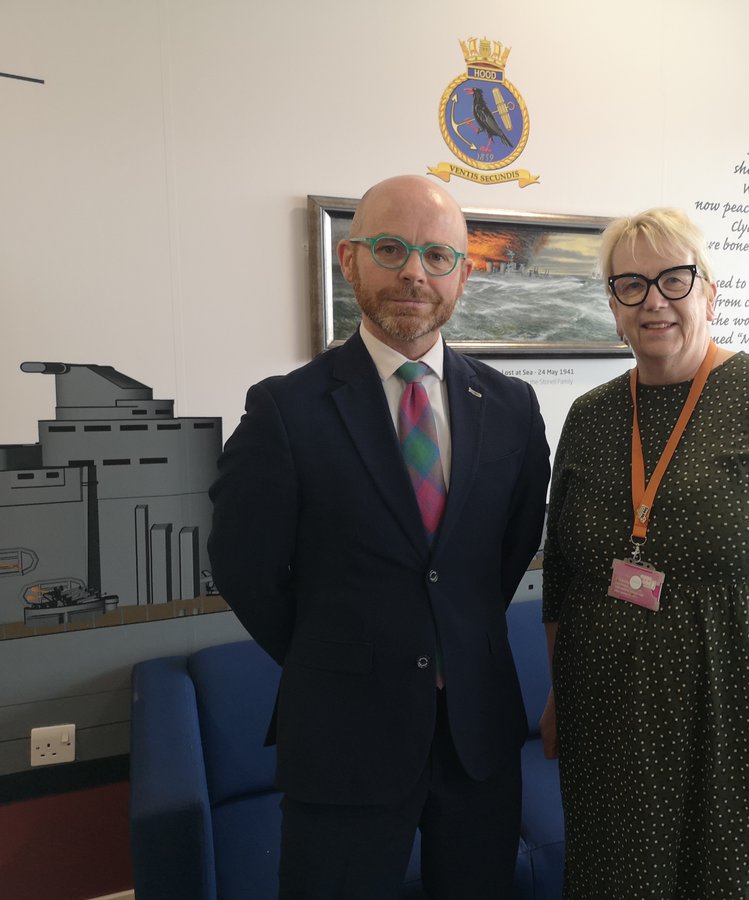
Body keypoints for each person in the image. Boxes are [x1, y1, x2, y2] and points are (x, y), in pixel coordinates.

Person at [208, 175, 551, 899]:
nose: (413, 274)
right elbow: (245, 568)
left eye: (436, 255)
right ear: (349, 261)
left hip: (477, 739)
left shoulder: (514, 409)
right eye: (391, 249)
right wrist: (341, 655)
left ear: (463, 271)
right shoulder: (284, 411)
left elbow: (506, 551)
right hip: (342, 739)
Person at [539, 207, 749, 898]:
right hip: (607, 708)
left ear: (709, 293)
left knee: (732, 876)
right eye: (629, 284)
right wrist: (557, 692)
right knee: (617, 875)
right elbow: (564, 573)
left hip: (740, 706)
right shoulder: (590, 416)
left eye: (674, 279)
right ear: (612, 305)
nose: (653, 300)